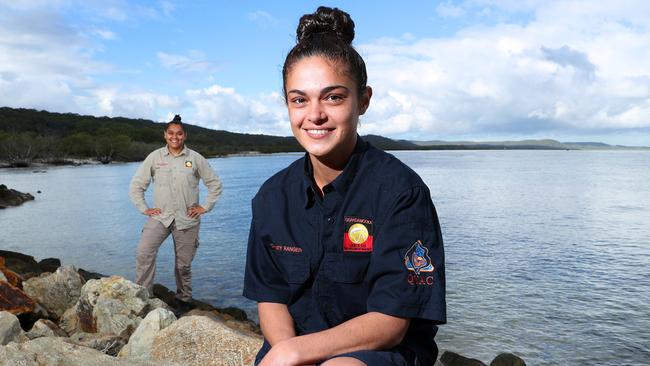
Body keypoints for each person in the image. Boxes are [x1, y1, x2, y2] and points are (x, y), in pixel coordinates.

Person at [243, 6, 445, 366]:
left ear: (363, 100)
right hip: (296, 345)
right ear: (287, 104)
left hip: (383, 353)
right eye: (299, 99)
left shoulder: (401, 193)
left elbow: (392, 322)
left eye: (333, 97)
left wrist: (294, 353)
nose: (315, 114)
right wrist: (288, 351)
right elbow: (271, 298)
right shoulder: (272, 197)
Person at [129, 115, 222, 311]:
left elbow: (215, 185)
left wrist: (205, 207)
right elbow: (137, 186)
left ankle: (184, 299)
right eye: (171, 133)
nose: (175, 137)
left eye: (179, 133)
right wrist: (144, 208)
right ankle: (143, 296)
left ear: (184, 136)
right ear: (165, 135)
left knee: (183, 265)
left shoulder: (195, 159)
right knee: (143, 253)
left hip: (187, 219)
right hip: (160, 217)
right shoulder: (155, 157)